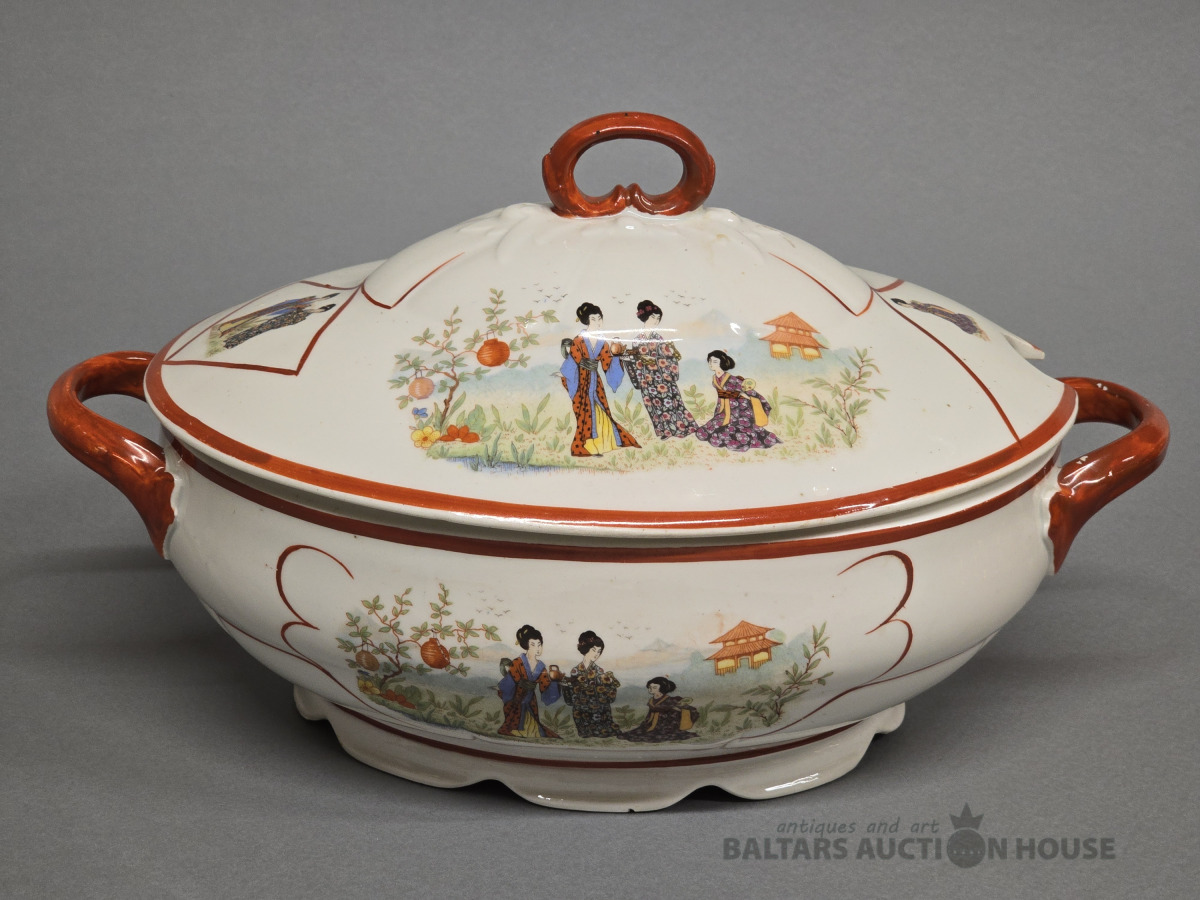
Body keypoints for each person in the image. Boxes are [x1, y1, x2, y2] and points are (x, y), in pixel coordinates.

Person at [559, 303, 641, 457]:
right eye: (593, 319)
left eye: (599, 318)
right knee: (584, 413)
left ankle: (600, 445)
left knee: (601, 410)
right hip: (581, 380)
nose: (598, 322)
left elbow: (607, 362)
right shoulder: (579, 340)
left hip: (595, 381)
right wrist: (568, 373)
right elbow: (573, 360)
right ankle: (587, 447)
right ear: (587, 321)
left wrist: (616, 357)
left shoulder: (603, 342)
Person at [624, 301, 697, 439]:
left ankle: (678, 429)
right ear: (645, 317)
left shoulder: (659, 339)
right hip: (646, 379)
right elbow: (635, 358)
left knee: (668, 404)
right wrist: (637, 359)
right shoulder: (636, 340)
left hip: (662, 378)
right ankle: (663, 431)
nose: (656, 321)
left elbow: (669, 358)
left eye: (658, 318)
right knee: (653, 405)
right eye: (653, 317)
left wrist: (655, 361)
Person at [692, 350, 781, 451]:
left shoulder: (733, 379)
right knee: (702, 433)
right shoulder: (715, 379)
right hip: (723, 411)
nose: (711, 364)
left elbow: (750, 392)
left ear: (722, 362)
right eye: (710, 361)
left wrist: (753, 400)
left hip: (739, 411)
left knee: (731, 435)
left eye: (715, 361)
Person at [497, 625, 562, 739]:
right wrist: (512, 690)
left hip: (531, 700)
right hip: (516, 698)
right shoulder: (517, 662)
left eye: (539, 644)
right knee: (514, 722)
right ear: (526, 645)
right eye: (533, 644)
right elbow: (509, 682)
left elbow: (545, 688)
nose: (537, 648)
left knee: (534, 728)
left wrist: (554, 681)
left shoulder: (541, 667)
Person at [562, 631, 621, 737]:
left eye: (599, 651)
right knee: (587, 731)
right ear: (586, 648)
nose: (596, 654)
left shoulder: (599, 670)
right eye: (594, 650)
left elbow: (606, 693)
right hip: (581, 709)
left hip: (598, 709)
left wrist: (610, 684)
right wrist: (567, 686)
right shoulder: (575, 670)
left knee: (605, 730)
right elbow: (573, 694)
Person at [620, 677, 698, 743]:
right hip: (651, 724)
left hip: (666, 725)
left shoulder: (670, 700)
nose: (651, 689)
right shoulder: (651, 700)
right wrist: (646, 723)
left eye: (654, 687)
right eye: (650, 687)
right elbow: (650, 714)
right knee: (631, 734)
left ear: (662, 688)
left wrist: (678, 709)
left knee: (654, 736)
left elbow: (689, 709)